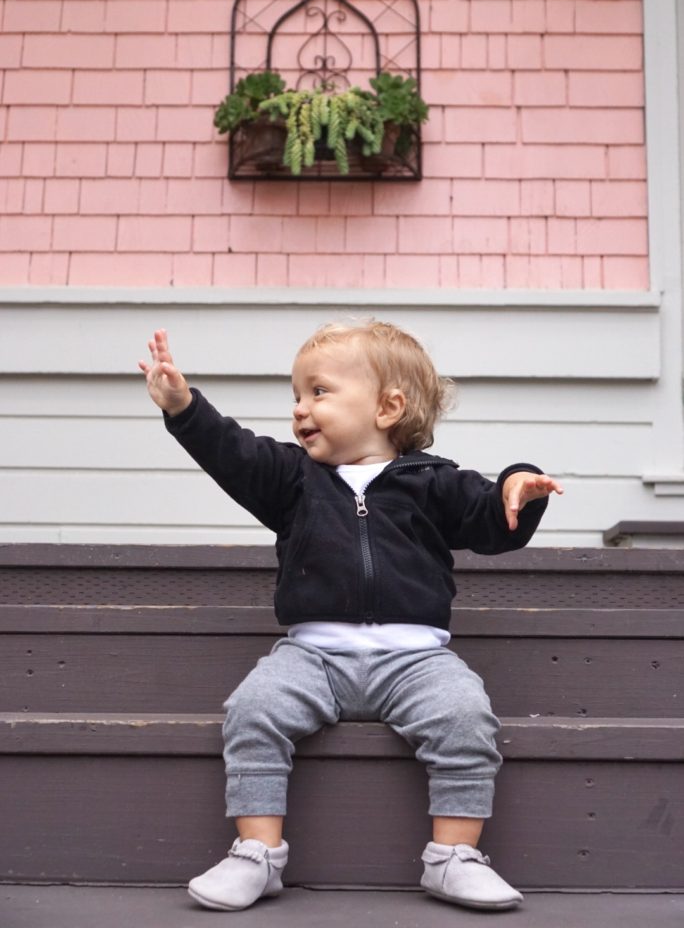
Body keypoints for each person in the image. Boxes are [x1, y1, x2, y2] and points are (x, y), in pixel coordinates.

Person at [139, 321, 562, 913]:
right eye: (296, 395)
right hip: (313, 655)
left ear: (388, 407)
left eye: (318, 392)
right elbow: (233, 452)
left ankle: (454, 858)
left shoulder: (431, 482)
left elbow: (490, 520)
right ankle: (257, 854)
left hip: (416, 659)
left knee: (467, 717)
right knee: (253, 710)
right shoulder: (292, 480)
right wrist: (184, 407)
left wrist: (518, 483)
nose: (300, 409)